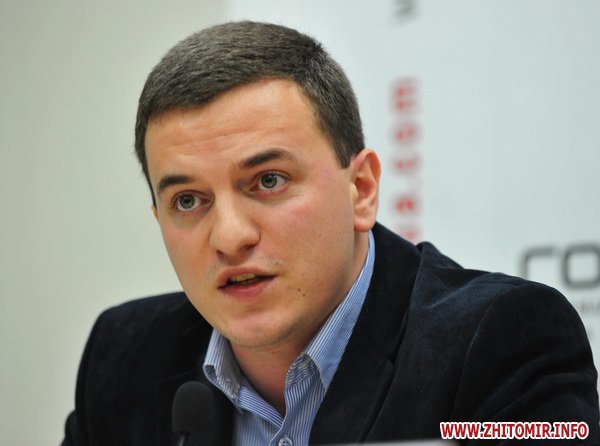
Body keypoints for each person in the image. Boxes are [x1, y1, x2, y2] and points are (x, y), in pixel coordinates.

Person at [62, 21, 599, 445]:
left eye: (268, 181)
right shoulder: (123, 356)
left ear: (361, 189)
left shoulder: (502, 340)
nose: (229, 237)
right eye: (187, 200)